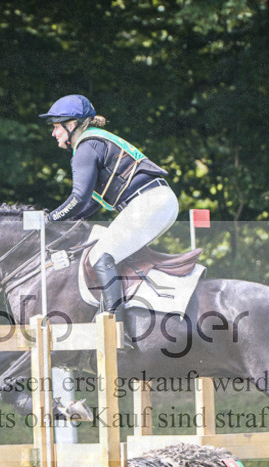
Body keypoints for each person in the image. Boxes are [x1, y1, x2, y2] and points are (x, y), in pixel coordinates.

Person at [39, 94, 179, 343]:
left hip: (149, 202)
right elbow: (91, 203)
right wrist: (62, 224)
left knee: (100, 257)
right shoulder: (97, 143)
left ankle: (115, 329)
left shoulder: (86, 146)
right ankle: (137, 313)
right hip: (157, 200)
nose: (53, 133)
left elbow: (78, 198)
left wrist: (49, 218)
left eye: (56, 127)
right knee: (113, 252)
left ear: (72, 125)